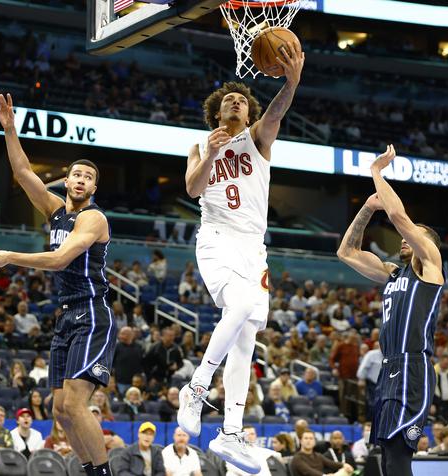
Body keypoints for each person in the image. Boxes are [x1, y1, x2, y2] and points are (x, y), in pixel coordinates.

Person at [178, 41, 305, 473]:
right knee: (241, 306)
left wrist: (291, 82)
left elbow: (277, 112)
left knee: (246, 339)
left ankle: (231, 431)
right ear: (218, 112)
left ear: (249, 114)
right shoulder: (200, 147)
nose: (236, 101)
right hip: (216, 237)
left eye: (242, 100)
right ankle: (196, 386)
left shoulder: (258, 138)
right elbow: (194, 189)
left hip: (254, 247)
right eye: (228, 99)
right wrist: (211, 152)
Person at [0, 93, 113, 476]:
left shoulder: (93, 220)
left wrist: (11, 256)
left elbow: (60, 259)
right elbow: (24, 173)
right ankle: (91, 469)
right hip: (66, 316)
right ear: (68, 178)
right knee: (59, 411)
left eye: (89, 177)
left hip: (91, 314)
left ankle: (102, 473)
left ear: (93, 188)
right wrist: (10, 129)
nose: (81, 180)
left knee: (76, 405)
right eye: (77, 174)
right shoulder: (55, 209)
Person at [336, 145, 445, 476]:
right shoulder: (392, 273)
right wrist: (368, 208)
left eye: (414, 236)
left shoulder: (430, 266)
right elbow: (346, 252)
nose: (403, 239)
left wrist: (376, 172)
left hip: (413, 366)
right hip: (389, 368)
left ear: (428, 245)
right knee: (385, 457)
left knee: (398, 456)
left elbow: (398, 217)